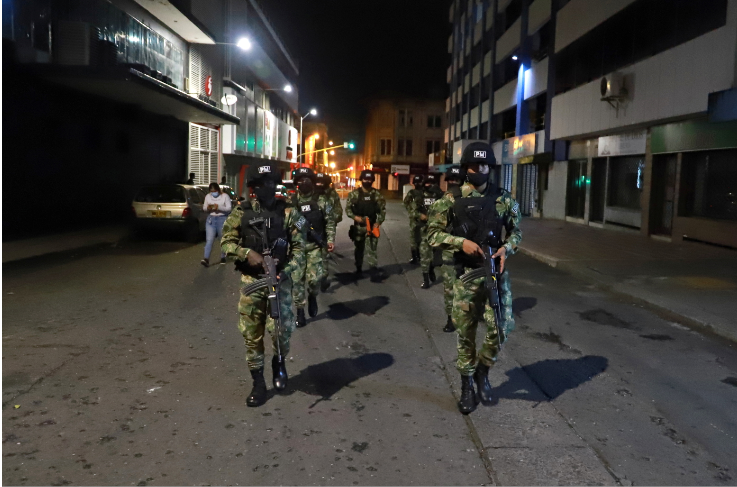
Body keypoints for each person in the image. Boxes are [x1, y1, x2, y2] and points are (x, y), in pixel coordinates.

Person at [427, 142, 521, 414]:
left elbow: (516, 232)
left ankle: (483, 370)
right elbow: (432, 234)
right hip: (466, 275)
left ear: (489, 167)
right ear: (466, 168)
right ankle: (467, 384)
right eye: (473, 165)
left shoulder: (504, 199)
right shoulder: (450, 199)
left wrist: (507, 248)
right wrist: (459, 243)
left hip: (495, 273)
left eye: (484, 165)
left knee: (502, 327)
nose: (479, 170)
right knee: (466, 332)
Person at [221, 161, 305, 407]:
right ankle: (258, 382)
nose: (266, 188)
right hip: (251, 282)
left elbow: (300, 251)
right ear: (252, 187)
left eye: (270, 183)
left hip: (281, 282)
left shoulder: (289, 212)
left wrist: (285, 270)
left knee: (282, 332)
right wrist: (246, 253)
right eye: (260, 184)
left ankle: (279, 361)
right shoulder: (241, 212)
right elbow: (226, 242)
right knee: (252, 335)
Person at [291, 167, 337, 328]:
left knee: (314, 279)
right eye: (300, 180)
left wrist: (330, 239)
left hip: (315, 246)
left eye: (307, 180)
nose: (304, 183)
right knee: (297, 281)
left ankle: (312, 296)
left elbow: (330, 221)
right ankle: (300, 312)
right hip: (296, 248)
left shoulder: (321, 200)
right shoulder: (291, 203)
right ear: (296, 183)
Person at [429, 165, 464, 332]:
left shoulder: (471, 199)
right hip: (449, 253)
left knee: (466, 289)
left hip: (468, 254)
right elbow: (434, 233)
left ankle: (463, 316)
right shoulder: (442, 202)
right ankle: (451, 318)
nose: (453, 183)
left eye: (456, 180)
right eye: (451, 180)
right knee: (450, 289)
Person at [345, 170, 386, 281]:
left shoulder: (377, 195)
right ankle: (358, 269)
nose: (367, 181)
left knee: (372, 249)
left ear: (372, 181)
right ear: (361, 180)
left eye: (369, 180)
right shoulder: (354, 194)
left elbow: (382, 211)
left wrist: (378, 223)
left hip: (372, 226)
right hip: (359, 227)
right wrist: (355, 217)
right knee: (359, 249)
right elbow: (348, 210)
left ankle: (373, 271)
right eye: (365, 179)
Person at [414, 173, 444, 289]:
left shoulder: (440, 195)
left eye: (431, 183)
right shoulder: (420, 195)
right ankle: (425, 279)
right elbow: (413, 210)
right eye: (427, 183)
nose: (429, 185)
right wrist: (420, 215)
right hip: (424, 230)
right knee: (424, 255)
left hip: (437, 230)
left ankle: (431, 268)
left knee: (435, 256)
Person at [315, 172, 343, 291]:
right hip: (310, 230)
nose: (319, 184)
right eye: (317, 182)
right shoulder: (310, 194)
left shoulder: (332, 195)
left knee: (324, 256)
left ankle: (323, 278)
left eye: (322, 182)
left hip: (326, 229)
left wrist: (330, 218)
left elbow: (339, 213)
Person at [201, 183, 232, 267]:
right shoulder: (208, 196)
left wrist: (218, 207)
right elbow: (204, 207)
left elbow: (229, 209)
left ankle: (223, 256)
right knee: (209, 240)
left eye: (215, 191)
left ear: (218, 190)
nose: (213, 193)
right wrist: (208, 208)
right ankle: (206, 258)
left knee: (222, 239)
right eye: (211, 191)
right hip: (211, 220)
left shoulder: (225, 196)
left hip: (222, 219)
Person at [403, 175, 424, 265]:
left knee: (422, 239)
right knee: (413, 239)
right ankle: (414, 257)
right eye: (416, 182)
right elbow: (406, 203)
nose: (417, 184)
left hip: (424, 220)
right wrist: (411, 211)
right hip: (414, 220)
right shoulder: (412, 193)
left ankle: (421, 256)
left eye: (419, 182)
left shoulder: (425, 192)